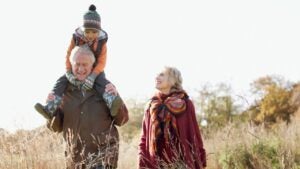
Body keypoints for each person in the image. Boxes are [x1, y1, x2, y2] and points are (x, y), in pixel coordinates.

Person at [35, 4, 122, 120]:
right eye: (88, 31)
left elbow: (102, 61)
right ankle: (50, 107)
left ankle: (111, 102)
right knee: (60, 82)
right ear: (83, 30)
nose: (91, 35)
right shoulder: (76, 38)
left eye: (94, 32)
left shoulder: (102, 42)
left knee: (103, 83)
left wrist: (93, 76)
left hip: (96, 69)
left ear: (99, 31)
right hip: (74, 68)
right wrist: (68, 72)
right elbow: (68, 55)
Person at [47, 45, 129, 169]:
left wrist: (117, 98)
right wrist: (52, 112)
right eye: (77, 64)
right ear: (71, 64)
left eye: (85, 65)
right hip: (75, 158)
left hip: (103, 156)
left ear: (93, 65)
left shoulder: (105, 88)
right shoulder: (63, 92)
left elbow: (122, 120)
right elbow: (55, 128)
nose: (80, 69)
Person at [138, 67, 206, 169]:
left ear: (173, 79)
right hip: (156, 163)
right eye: (156, 74)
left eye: (161, 74)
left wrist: (201, 159)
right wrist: (142, 162)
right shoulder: (151, 106)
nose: (156, 77)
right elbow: (144, 138)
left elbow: (194, 133)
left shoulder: (186, 103)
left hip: (181, 163)